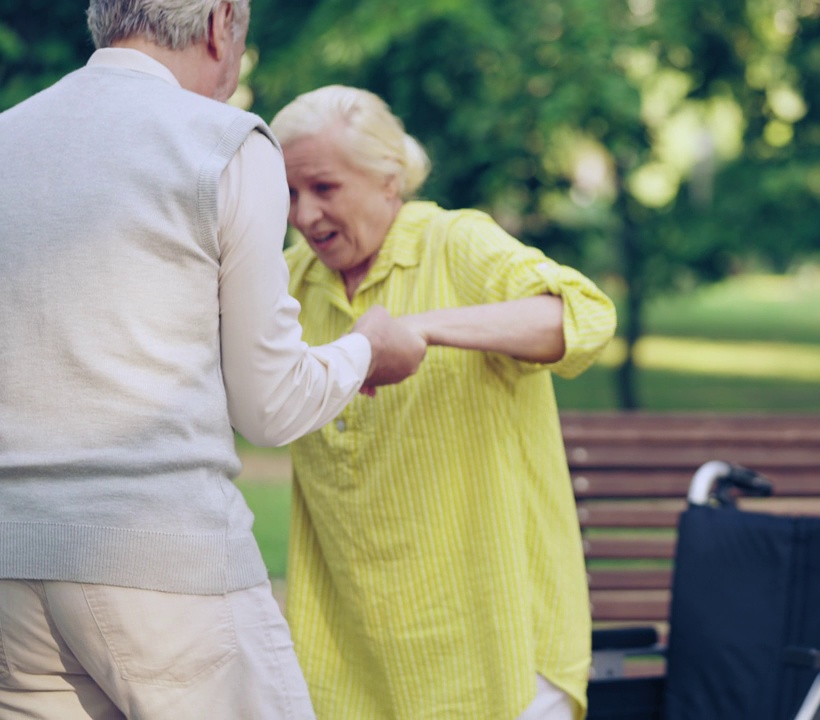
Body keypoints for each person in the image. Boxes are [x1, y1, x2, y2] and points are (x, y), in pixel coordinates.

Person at [0, 3, 427, 719]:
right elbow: (271, 405)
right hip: (167, 567)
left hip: (12, 567)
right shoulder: (226, 142)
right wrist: (366, 351)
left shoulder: (8, 139)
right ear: (221, 21)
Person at [269, 85, 617, 720]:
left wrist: (424, 329)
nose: (305, 215)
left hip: (497, 653)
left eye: (323, 188)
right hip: (354, 661)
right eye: (290, 194)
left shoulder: (455, 243)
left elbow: (580, 317)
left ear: (388, 180)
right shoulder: (292, 284)